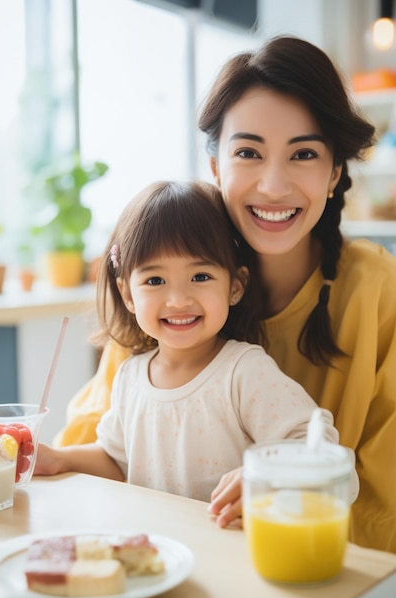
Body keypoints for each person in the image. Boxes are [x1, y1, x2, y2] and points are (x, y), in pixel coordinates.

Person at [55, 35, 396, 553]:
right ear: (216, 167)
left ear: (333, 174)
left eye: (303, 153)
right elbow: (101, 455)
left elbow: (379, 510)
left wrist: (282, 492)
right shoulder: (165, 298)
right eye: (248, 152)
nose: (274, 186)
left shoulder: (380, 293)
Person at [35, 179, 345, 513]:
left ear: (235, 286)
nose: (179, 299)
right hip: (156, 556)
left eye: (200, 277)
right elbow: (116, 460)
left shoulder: (243, 371)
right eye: (155, 280)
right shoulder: (130, 377)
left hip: (228, 553)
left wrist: (265, 475)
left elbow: (316, 444)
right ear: (128, 294)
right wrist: (58, 458)